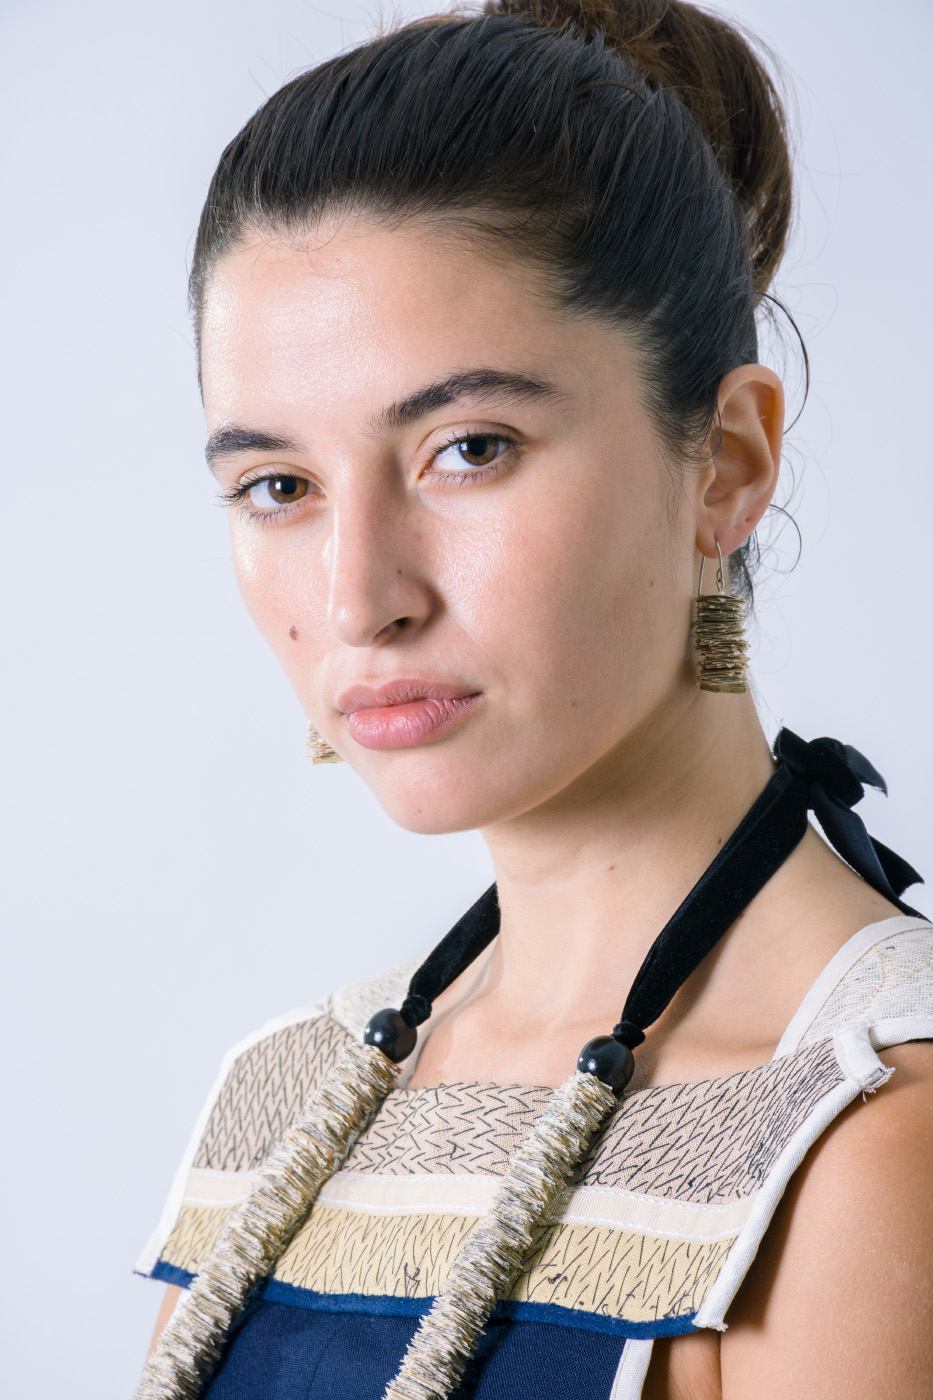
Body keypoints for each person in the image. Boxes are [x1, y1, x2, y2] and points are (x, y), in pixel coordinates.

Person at [134, 2, 933, 1396]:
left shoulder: (868, 1139)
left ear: (728, 462)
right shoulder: (282, 1103)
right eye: (279, 486)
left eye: (467, 448)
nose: (358, 592)